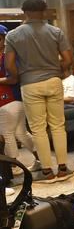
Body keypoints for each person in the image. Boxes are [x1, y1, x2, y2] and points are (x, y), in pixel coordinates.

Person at [4, 0, 72, 182]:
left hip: (29, 84)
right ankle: (63, 168)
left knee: (38, 129)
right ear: (44, 12)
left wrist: (18, 75)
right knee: (58, 126)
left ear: (24, 12)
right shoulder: (56, 31)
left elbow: (9, 64)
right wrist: (58, 70)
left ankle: (47, 171)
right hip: (53, 81)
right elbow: (67, 58)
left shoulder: (13, 35)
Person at [0, 25, 42, 180]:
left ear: (5, 39)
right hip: (8, 99)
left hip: (12, 98)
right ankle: (41, 159)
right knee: (20, 133)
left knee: (7, 133)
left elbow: (14, 78)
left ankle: (15, 166)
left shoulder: (9, 56)